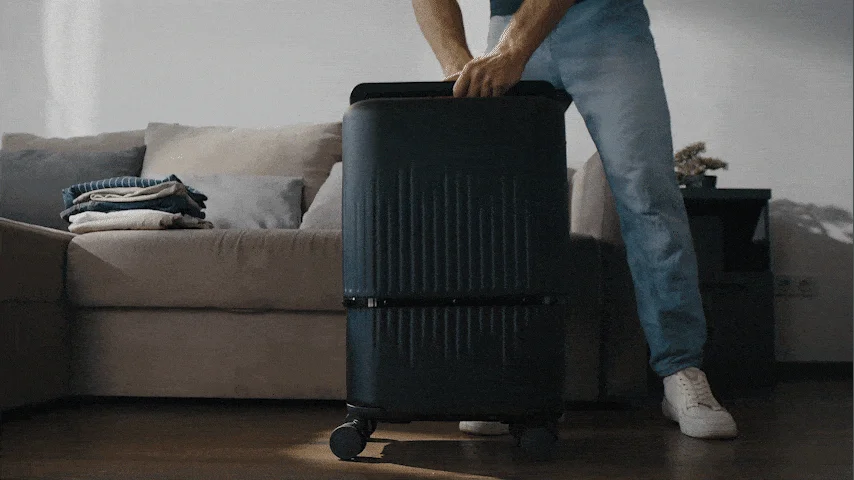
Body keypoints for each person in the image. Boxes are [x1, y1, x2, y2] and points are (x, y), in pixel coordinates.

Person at [411, 0, 738, 440]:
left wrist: (512, 51)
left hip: (607, 23)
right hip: (507, 23)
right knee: (499, 206)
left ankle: (681, 370)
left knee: (646, 193)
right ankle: (505, 378)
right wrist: (457, 65)